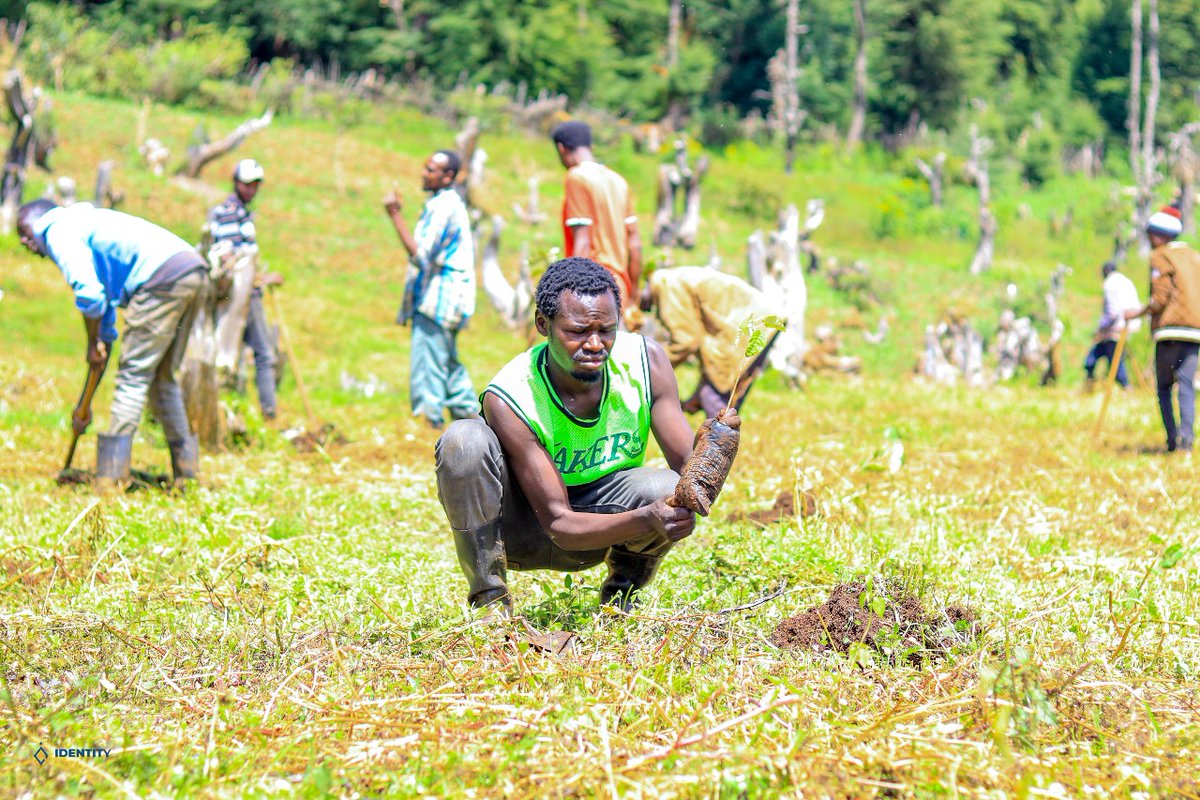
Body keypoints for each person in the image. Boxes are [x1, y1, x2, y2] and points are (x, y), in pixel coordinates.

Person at [434, 257, 696, 612]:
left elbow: (689, 471)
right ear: (543, 324)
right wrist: (648, 518)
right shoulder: (512, 395)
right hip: (524, 532)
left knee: (666, 488)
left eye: (606, 330)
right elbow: (557, 522)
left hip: (607, 524)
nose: (594, 344)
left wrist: (718, 447)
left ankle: (620, 597)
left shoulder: (645, 362)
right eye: (576, 332)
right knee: (463, 440)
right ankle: (491, 602)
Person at [17, 200, 209, 486]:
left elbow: (90, 296)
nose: (24, 241)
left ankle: (110, 479)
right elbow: (103, 322)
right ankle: (188, 475)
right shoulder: (86, 226)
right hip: (191, 269)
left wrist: (92, 341)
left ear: (39, 220)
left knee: (133, 377)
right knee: (161, 379)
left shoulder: (58, 230)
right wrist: (87, 399)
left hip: (161, 277)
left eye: (23, 231)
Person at [383, 150, 479, 429]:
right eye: (425, 168)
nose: (424, 174)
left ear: (448, 176)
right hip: (451, 297)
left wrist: (395, 214)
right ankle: (473, 421)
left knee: (429, 364)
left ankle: (428, 424)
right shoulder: (447, 203)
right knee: (446, 363)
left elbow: (420, 255)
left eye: (431, 170)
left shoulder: (444, 205)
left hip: (439, 298)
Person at [639, 266, 784, 418]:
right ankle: (720, 438)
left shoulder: (666, 284)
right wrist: (696, 395)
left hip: (753, 324)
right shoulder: (673, 279)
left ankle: (720, 441)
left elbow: (687, 341)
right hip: (763, 320)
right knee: (719, 398)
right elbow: (705, 341)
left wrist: (649, 372)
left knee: (712, 397)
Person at [205, 158, 282, 419]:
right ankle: (268, 413)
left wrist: (262, 277)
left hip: (248, 291)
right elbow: (229, 257)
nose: (251, 190)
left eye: (255, 185)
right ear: (236, 182)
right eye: (247, 184)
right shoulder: (228, 211)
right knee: (263, 354)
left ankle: (238, 410)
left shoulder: (241, 213)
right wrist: (256, 279)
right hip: (240, 296)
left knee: (244, 355)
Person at [1124, 206, 1200, 452]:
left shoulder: (1161, 256)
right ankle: (1186, 442)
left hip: (1170, 331)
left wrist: (1137, 313)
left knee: (1165, 386)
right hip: (1194, 332)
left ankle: (1172, 440)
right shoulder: (1194, 256)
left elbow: (1160, 299)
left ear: (1157, 236)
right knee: (1186, 385)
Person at [551, 120, 642, 309]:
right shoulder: (618, 181)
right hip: (619, 290)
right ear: (589, 145)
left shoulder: (577, 177)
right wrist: (633, 296)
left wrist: (570, 292)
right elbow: (635, 245)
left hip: (591, 289)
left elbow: (582, 241)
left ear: (561, 149)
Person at [1084, 261, 1141, 389]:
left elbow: (1112, 312)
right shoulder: (1126, 281)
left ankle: (1125, 386)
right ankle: (1091, 383)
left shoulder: (1110, 284)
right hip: (1131, 324)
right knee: (1101, 355)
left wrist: (1100, 327)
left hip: (1116, 328)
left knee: (1113, 359)